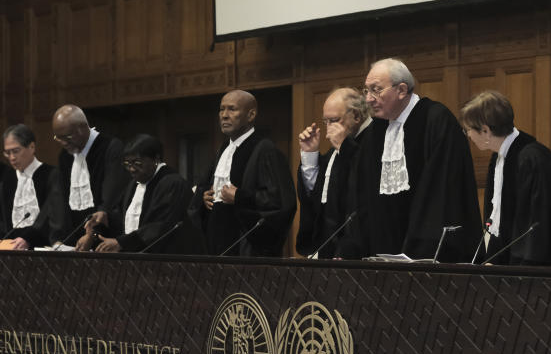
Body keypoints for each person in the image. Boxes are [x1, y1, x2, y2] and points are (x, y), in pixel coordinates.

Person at [337, 58, 481, 261]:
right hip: (382, 257)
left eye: (376, 90)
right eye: (366, 91)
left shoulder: (436, 120)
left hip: (430, 256)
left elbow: (443, 194)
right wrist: (353, 246)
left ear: (402, 90)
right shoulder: (375, 132)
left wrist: (419, 251)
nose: (368, 99)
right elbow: (361, 195)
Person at [460, 91, 551, 265]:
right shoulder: (499, 158)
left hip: (538, 270)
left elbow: (536, 229)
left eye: (468, 129)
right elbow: (501, 222)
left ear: (485, 130)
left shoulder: (533, 161)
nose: (468, 135)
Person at [195, 90, 296, 257]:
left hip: (246, 247)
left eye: (232, 109)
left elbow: (280, 201)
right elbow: (205, 188)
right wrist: (203, 197)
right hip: (217, 243)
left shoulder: (265, 150)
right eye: (221, 109)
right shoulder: (223, 150)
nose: (224, 115)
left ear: (251, 115)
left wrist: (240, 197)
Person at [85, 134, 204, 255]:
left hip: (172, 259)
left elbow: (160, 226)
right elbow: (121, 217)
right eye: (127, 164)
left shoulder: (172, 183)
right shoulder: (134, 184)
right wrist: (97, 227)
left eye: (137, 163)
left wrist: (122, 243)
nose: (131, 169)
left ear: (156, 159)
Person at [296, 88, 372, 258]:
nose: (329, 129)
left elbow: (363, 186)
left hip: (358, 248)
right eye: (326, 122)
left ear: (357, 116)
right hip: (327, 245)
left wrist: (345, 147)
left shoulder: (374, 139)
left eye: (334, 120)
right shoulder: (336, 149)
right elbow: (315, 196)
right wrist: (310, 155)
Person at [50, 104, 129, 250]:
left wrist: (92, 234)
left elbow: (112, 201)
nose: (62, 143)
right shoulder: (65, 156)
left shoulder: (110, 148)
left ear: (82, 128)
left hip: (105, 241)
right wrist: (58, 239)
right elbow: (60, 202)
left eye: (66, 137)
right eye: (58, 138)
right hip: (73, 244)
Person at [0, 124, 55, 250]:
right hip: (10, 251)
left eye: (16, 151)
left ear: (32, 147)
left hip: (42, 249)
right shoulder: (8, 179)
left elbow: (50, 215)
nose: (12, 158)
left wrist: (29, 238)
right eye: (8, 153)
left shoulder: (50, 175)